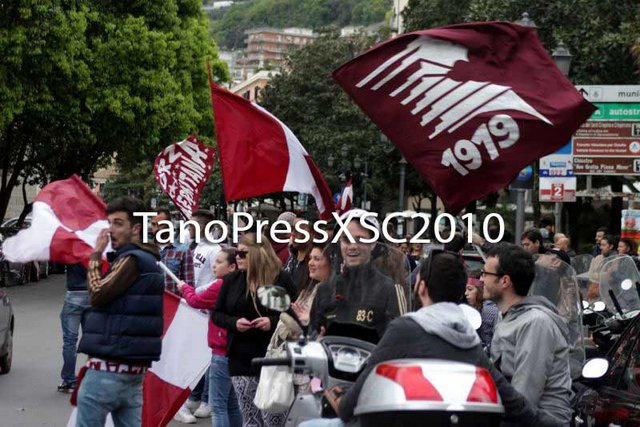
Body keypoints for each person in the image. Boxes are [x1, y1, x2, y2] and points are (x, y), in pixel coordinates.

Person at [301, 250, 556, 427]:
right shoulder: (467, 338)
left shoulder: (405, 329)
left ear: (421, 287)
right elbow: (513, 401)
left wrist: (339, 399)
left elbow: (357, 395)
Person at [76, 197, 164, 427]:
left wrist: (95, 256)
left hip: (107, 371)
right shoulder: (149, 260)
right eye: (109, 222)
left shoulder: (132, 259)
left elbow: (97, 294)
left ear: (136, 228)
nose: (110, 230)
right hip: (132, 371)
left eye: (117, 223)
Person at [484, 243, 573, 425]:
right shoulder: (509, 316)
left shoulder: (536, 322)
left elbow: (525, 395)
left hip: (543, 420)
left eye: (486, 274)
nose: (481, 279)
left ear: (505, 281)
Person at [213, 233, 296, 426]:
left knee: (273, 419)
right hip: (240, 357)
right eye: (236, 253)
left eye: (243, 253)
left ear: (258, 254)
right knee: (250, 418)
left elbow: (294, 314)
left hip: (274, 358)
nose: (238, 258)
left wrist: (272, 321)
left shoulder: (278, 279)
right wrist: (234, 323)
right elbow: (217, 314)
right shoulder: (232, 280)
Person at [309, 210, 404, 341]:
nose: (353, 246)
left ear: (373, 244)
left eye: (360, 239)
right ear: (340, 244)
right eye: (346, 239)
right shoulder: (324, 289)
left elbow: (398, 341)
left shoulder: (389, 288)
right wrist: (316, 341)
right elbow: (312, 333)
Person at [177, 248, 242, 427]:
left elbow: (196, 300)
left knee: (218, 406)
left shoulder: (220, 285)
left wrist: (184, 288)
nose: (214, 265)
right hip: (236, 350)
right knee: (232, 404)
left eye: (220, 262)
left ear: (232, 267)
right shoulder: (241, 283)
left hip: (221, 350)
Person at [178, 209, 221, 421]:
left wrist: (201, 293)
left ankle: (207, 400)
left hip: (204, 307)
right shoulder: (189, 247)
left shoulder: (214, 249)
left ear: (202, 227)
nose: (188, 228)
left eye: (192, 225)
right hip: (189, 305)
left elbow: (219, 277)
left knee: (208, 356)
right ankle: (194, 396)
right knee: (193, 353)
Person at [58, 263, 91, 392]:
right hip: (91, 294)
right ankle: (92, 376)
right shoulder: (95, 249)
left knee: (70, 341)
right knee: (91, 339)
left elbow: (59, 264)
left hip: (73, 295)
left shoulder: (71, 251)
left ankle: (69, 378)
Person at [152, 208, 194, 295]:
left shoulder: (183, 251)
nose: (156, 229)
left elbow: (189, 286)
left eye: (161, 224)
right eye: (153, 224)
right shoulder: (146, 249)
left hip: (173, 305)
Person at [464, 276, 499, 353]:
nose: (466, 293)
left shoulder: (487, 310)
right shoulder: (475, 308)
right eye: (466, 289)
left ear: (480, 290)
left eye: (470, 289)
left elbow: (488, 341)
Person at [284, 217, 313, 292]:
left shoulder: (313, 263)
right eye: (292, 229)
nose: (293, 234)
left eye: (299, 230)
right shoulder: (291, 258)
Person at [586, 234, 617, 301]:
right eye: (600, 245)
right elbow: (590, 275)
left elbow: (608, 278)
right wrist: (602, 275)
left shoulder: (615, 260)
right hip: (594, 295)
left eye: (603, 245)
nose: (600, 247)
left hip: (609, 296)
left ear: (611, 246)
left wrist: (597, 275)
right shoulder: (597, 258)